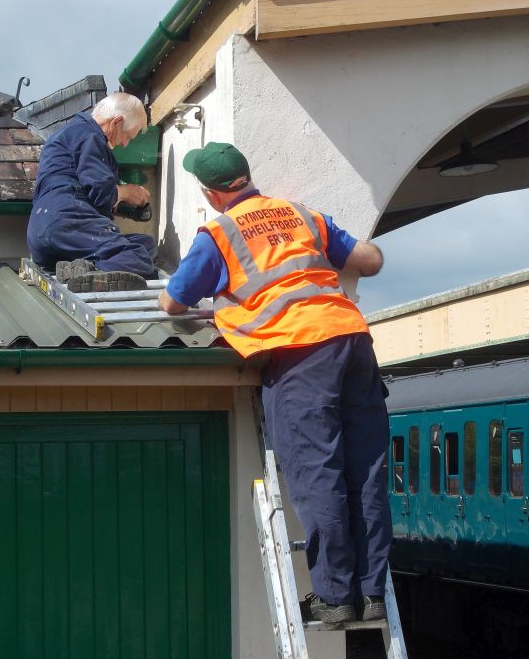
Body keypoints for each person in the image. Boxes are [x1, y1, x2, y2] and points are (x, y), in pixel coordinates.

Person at [158, 142, 392, 626]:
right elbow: (367, 261)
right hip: (353, 341)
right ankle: (371, 594)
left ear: (211, 193)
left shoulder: (219, 233)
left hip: (298, 356)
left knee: (317, 472)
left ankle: (334, 597)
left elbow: (172, 304)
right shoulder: (299, 214)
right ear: (247, 178)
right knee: (365, 471)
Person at [27, 92, 157, 292]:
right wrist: (125, 192)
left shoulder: (70, 134)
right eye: (128, 136)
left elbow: (88, 194)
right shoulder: (88, 134)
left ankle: (80, 269)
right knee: (138, 261)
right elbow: (101, 192)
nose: (125, 144)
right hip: (68, 221)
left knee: (144, 244)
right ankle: (92, 272)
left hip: (44, 233)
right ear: (117, 122)